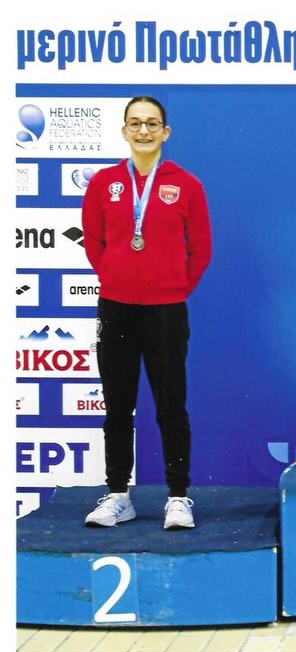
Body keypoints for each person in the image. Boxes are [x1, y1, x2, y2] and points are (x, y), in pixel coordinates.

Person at [81, 95, 212, 529]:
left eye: (152, 123)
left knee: (171, 405)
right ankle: (118, 494)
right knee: (118, 406)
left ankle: (178, 497)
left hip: (166, 311)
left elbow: (201, 250)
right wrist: (116, 279)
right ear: (124, 131)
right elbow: (94, 241)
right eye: (135, 123)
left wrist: (172, 288)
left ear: (165, 132)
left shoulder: (186, 185)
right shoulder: (104, 183)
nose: (143, 130)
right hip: (116, 308)